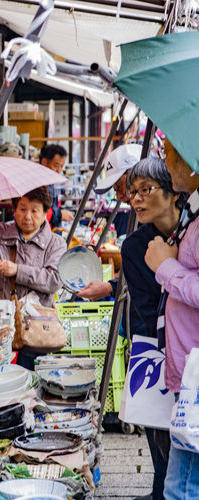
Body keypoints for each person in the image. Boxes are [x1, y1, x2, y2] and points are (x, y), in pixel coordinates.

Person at [120, 157, 185, 500]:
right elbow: (147, 309)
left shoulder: (192, 231)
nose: (137, 199)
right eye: (133, 192)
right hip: (160, 347)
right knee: (161, 436)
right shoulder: (133, 247)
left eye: (146, 189)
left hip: (193, 346)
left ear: (174, 192)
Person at [143, 140, 199, 500]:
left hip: (197, 372)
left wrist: (166, 266)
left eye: (173, 155)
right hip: (188, 368)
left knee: (181, 488)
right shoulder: (194, 213)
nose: (166, 162)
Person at [0, 186, 66, 370]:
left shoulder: (55, 243)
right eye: (23, 209)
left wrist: (18, 270)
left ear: (45, 214)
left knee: (28, 381)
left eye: (34, 211)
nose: (27, 216)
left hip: (33, 330)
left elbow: (54, 280)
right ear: (15, 210)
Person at [77, 143, 142, 301]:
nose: (119, 196)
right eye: (115, 190)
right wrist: (110, 287)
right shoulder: (139, 219)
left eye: (120, 187)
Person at [39, 144, 73, 229]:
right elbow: (37, 213)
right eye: (56, 166)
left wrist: (61, 210)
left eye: (62, 166)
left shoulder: (50, 183)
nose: (59, 170)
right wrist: (60, 214)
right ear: (44, 162)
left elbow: (55, 205)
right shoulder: (38, 185)